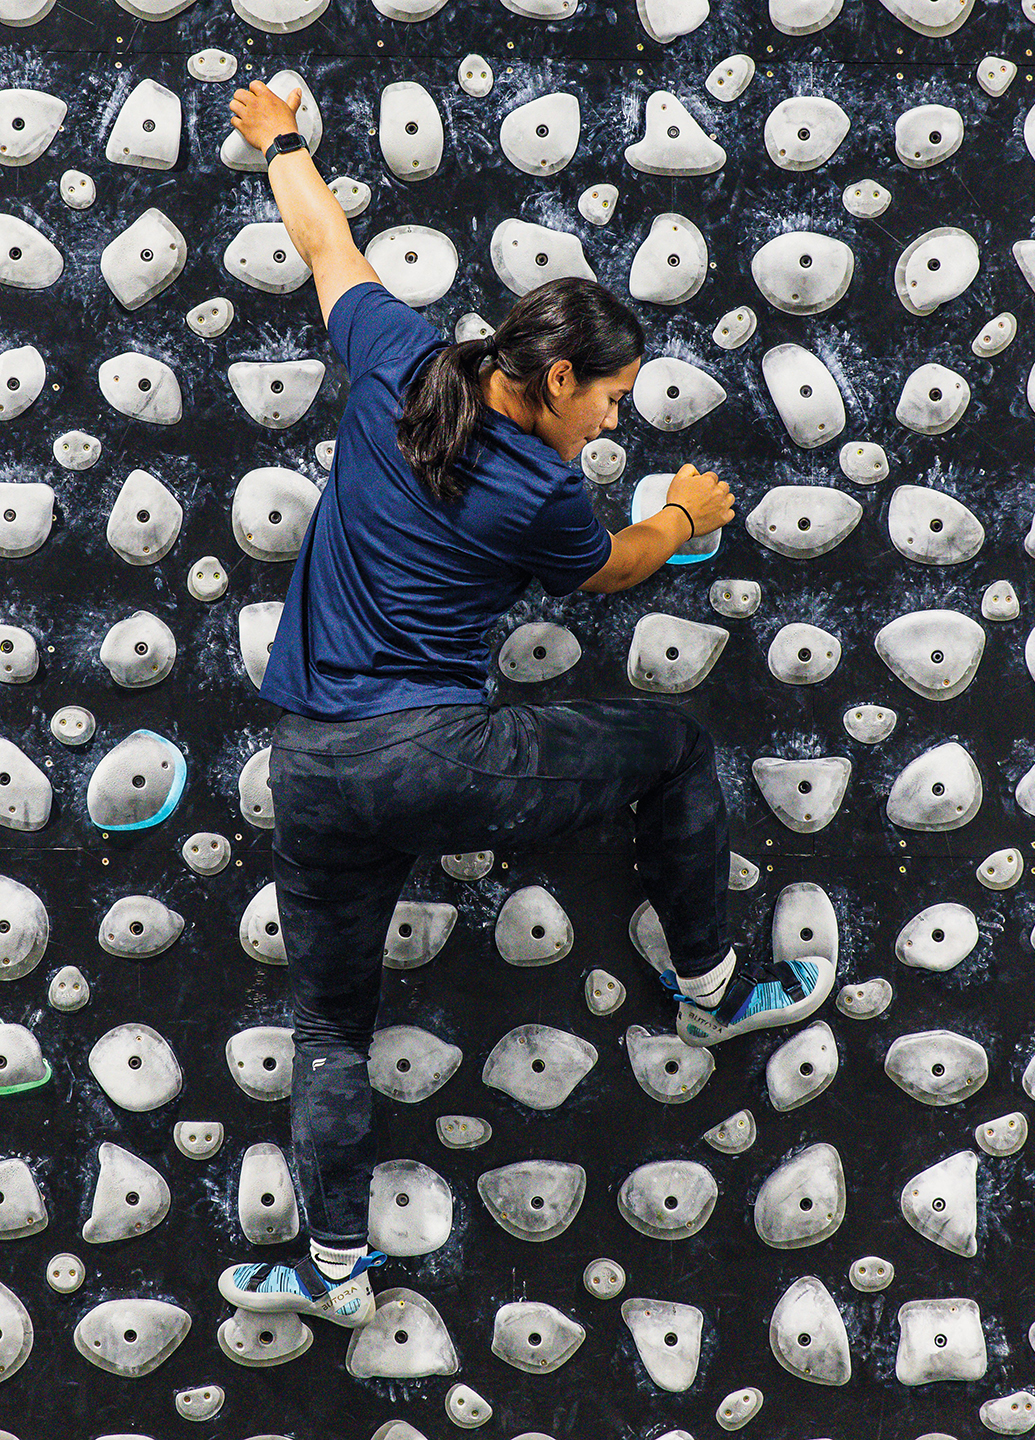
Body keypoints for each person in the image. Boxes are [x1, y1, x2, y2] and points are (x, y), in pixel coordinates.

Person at [216, 80, 835, 1332]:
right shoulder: (545, 494)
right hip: (439, 753)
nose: (611, 423)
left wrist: (277, 136)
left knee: (332, 1029)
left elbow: (325, 242)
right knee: (672, 746)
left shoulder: (400, 357)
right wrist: (682, 516)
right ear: (555, 377)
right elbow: (606, 571)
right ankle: (710, 985)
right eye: (606, 402)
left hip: (314, 769)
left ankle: (334, 1268)